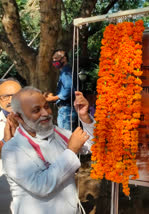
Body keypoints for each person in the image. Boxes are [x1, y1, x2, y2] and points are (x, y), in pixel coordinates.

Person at [1, 86, 94, 214]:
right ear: (19, 118)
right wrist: (71, 151)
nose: (45, 113)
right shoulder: (12, 149)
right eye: (36, 110)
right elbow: (42, 186)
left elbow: (92, 146)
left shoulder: (58, 133)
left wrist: (84, 117)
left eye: (46, 106)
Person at [0, 79, 21, 214]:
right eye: (5, 96)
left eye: (15, 95)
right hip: (4, 195)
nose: (10, 99)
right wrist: (6, 142)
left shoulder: (39, 119)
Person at [46, 49, 77, 131]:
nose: (54, 60)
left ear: (64, 59)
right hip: (68, 109)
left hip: (66, 110)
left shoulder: (66, 72)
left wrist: (54, 98)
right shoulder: (65, 72)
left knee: (66, 138)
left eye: (56, 58)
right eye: (53, 59)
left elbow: (69, 89)